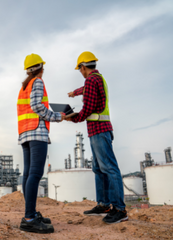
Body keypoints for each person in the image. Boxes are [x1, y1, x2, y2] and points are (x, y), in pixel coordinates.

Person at [64, 51, 128, 224]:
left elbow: (88, 108)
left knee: (109, 168)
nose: (80, 72)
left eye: (80, 69)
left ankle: (119, 209)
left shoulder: (91, 80)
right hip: (97, 131)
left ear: (83, 67)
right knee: (99, 169)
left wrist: (72, 117)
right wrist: (74, 93)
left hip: (99, 130)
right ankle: (104, 204)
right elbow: (86, 90)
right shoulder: (97, 79)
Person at [17, 53, 64, 233]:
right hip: (37, 132)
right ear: (40, 68)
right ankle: (29, 217)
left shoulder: (24, 86)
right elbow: (37, 106)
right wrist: (57, 116)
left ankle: (31, 213)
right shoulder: (37, 82)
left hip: (25, 133)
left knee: (29, 174)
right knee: (35, 174)